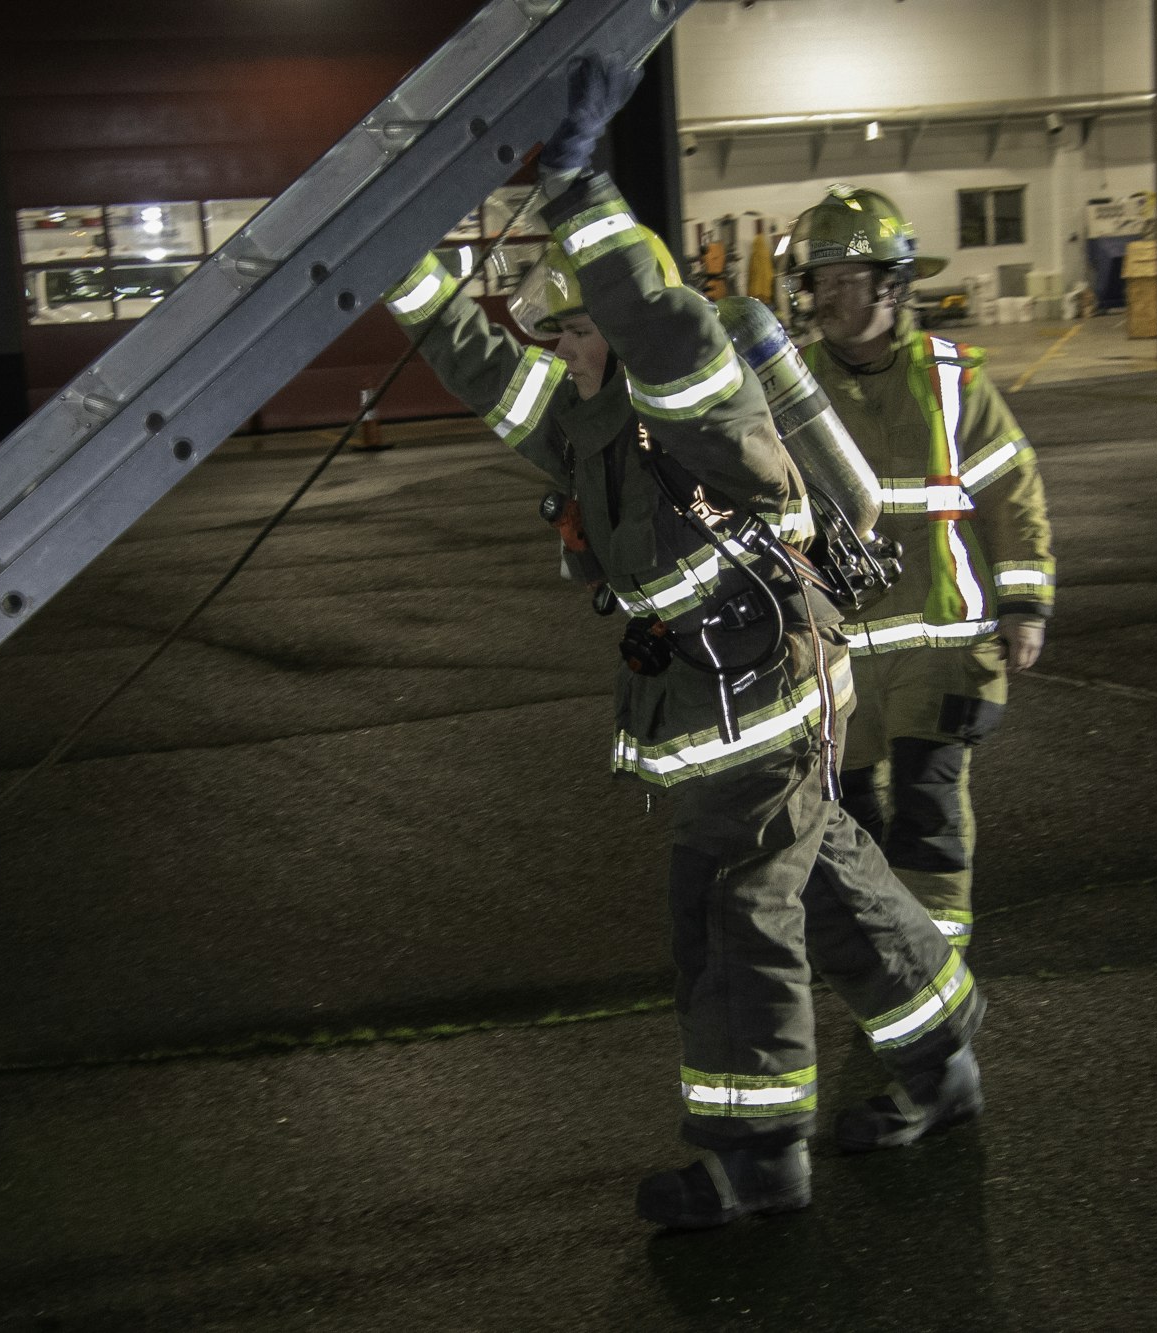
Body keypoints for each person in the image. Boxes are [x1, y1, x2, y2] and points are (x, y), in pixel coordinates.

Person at [382, 64, 984, 1229]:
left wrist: (574, 186)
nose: (552, 348)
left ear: (606, 324)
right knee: (827, 889)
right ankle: (942, 1044)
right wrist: (401, 274)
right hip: (728, 700)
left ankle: (756, 1156)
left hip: (768, 699)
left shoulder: (696, 404)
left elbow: (659, 316)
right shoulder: (586, 421)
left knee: (730, 910)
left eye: (566, 327)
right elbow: (482, 370)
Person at [786, 186, 1057, 953]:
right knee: (854, 824)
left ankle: (934, 977)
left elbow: (1012, 486)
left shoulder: (951, 376)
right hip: (839, 657)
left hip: (945, 647)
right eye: (820, 283)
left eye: (848, 281)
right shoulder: (788, 386)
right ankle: (887, 968)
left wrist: (1025, 603)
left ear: (892, 285)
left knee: (929, 810)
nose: (829, 299)